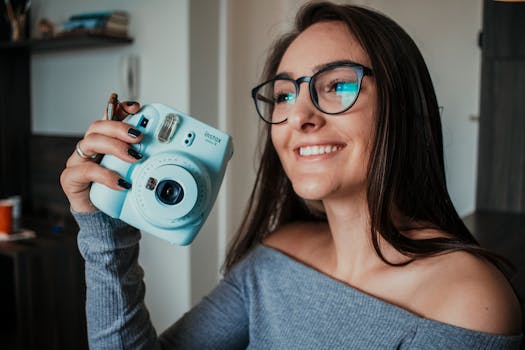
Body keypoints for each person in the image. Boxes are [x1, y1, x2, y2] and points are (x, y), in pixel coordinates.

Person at [60, 2, 522, 349]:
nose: (299, 115)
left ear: (402, 105)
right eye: (283, 95)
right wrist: (106, 229)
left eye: (338, 84)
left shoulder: (469, 301)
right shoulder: (276, 257)